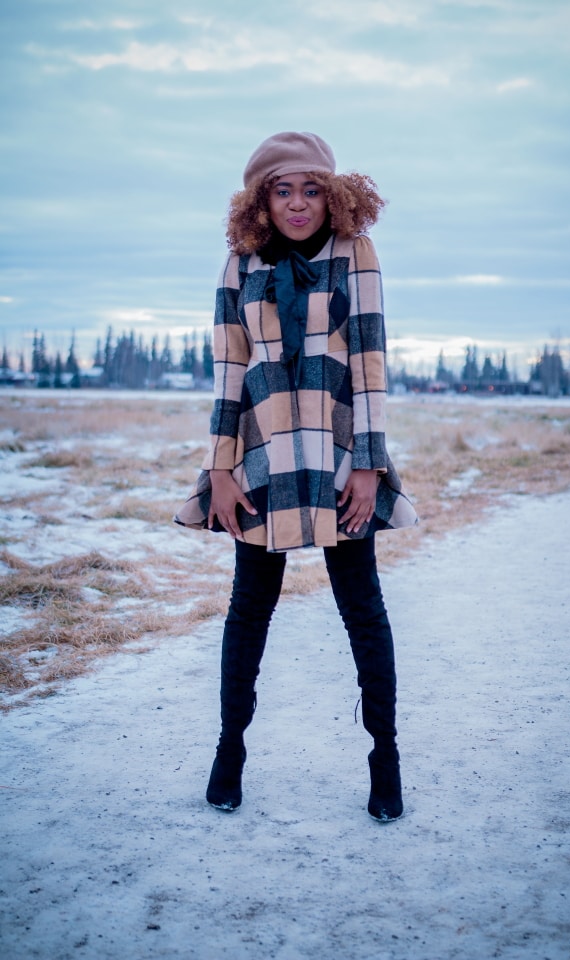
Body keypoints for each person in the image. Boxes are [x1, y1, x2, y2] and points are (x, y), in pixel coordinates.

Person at [175, 131, 417, 821]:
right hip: (261, 457)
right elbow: (229, 372)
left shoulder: (354, 253)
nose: (298, 203)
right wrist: (219, 468)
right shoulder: (240, 263)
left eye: (311, 189)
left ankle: (385, 756)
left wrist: (369, 463)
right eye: (283, 191)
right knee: (249, 609)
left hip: (340, 455)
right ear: (262, 200)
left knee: (362, 610)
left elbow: (369, 359)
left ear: (333, 194)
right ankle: (230, 750)